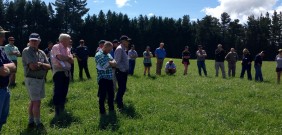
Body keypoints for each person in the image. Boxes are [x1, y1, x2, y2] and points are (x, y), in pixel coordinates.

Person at [22, 33, 51, 130]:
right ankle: (38, 123)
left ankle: (31, 121)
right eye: (32, 40)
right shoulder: (27, 51)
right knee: (37, 102)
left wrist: (40, 64)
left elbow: (49, 66)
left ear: (39, 41)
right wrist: (42, 66)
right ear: (29, 41)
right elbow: (33, 67)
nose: (34, 42)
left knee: (33, 102)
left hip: (40, 80)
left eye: (36, 40)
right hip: (32, 79)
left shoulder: (41, 52)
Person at [51, 33, 74, 116]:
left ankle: (62, 107)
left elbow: (72, 61)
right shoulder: (56, 47)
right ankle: (57, 109)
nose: (70, 41)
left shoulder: (68, 49)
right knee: (58, 90)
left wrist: (67, 58)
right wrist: (68, 58)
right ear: (63, 40)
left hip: (67, 72)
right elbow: (59, 57)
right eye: (69, 39)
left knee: (65, 90)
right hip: (59, 71)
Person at [0, 26, 16, 131]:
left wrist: (5, 67)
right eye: (2, 36)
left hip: (4, 89)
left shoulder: (1, 50)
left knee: (2, 119)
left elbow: (13, 66)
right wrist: (6, 68)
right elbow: (2, 72)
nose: (4, 38)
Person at [95, 41, 117, 114]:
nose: (110, 51)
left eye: (111, 50)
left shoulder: (108, 54)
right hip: (102, 78)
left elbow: (114, 63)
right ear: (104, 47)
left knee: (111, 94)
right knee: (103, 95)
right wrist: (111, 62)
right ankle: (102, 111)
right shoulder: (98, 54)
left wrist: (111, 62)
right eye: (109, 49)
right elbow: (104, 65)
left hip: (110, 77)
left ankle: (111, 109)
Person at [114, 35, 130, 110]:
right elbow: (117, 62)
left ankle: (117, 100)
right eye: (127, 41)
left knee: (122, 88)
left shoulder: (124, 49)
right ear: (123, 41)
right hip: (120, 71)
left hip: (123, 71)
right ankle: (119, 104)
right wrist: (123, 69)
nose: (128, 42)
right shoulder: (119, 49)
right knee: (122, 88)